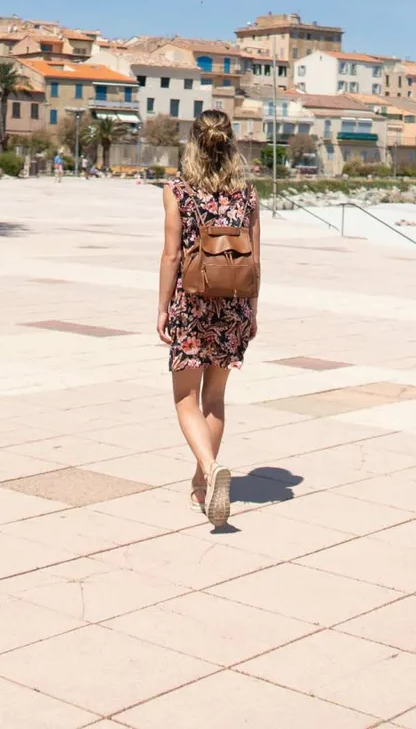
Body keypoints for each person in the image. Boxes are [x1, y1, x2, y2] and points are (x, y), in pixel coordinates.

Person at [156, 108, 259, 528]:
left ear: (193, 144)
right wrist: (252, 312)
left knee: (185, 399)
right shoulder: (248, 194)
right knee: (214, 400)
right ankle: (202, 482)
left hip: (192, 304)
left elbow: (171, 254)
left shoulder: (177, 191)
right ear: (231, 144)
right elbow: (256, 259)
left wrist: (163, 306)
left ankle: (210, 469)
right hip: (233, 303)